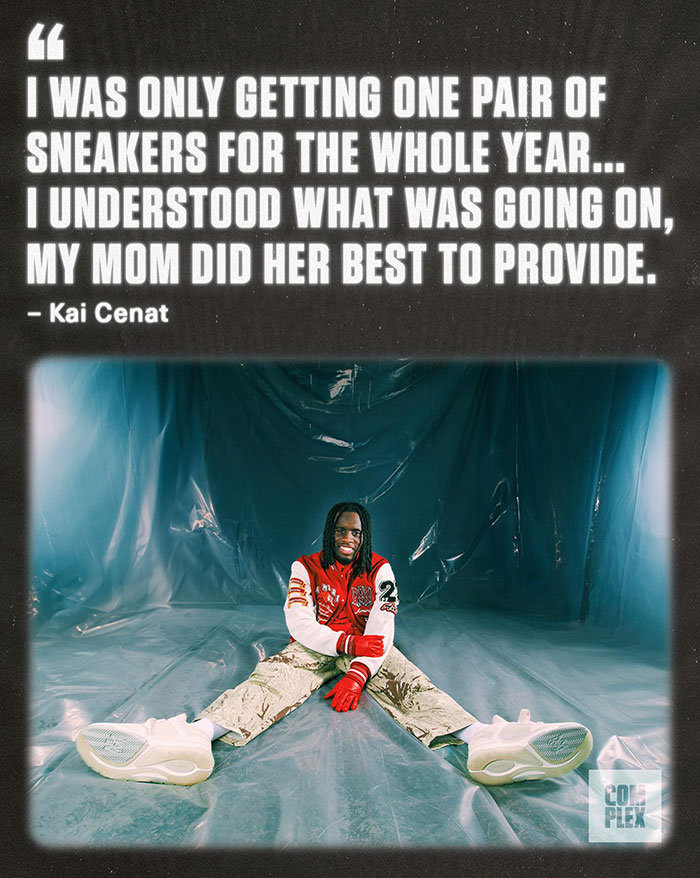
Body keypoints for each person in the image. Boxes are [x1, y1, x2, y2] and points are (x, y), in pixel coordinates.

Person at [76, 501, 593, 787]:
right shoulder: (306, 567)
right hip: (320, 645)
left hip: (366, 649)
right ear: (330, 530)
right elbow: (299, 622)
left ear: (365, 536)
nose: (349, 536)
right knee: (270, 678)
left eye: (357, 531)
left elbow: (385, 624)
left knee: (410, 680)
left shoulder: (381, 569)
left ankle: (483, 738)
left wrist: (361, 669)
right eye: (342, 529)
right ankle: (191, 738)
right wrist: (342, 643)